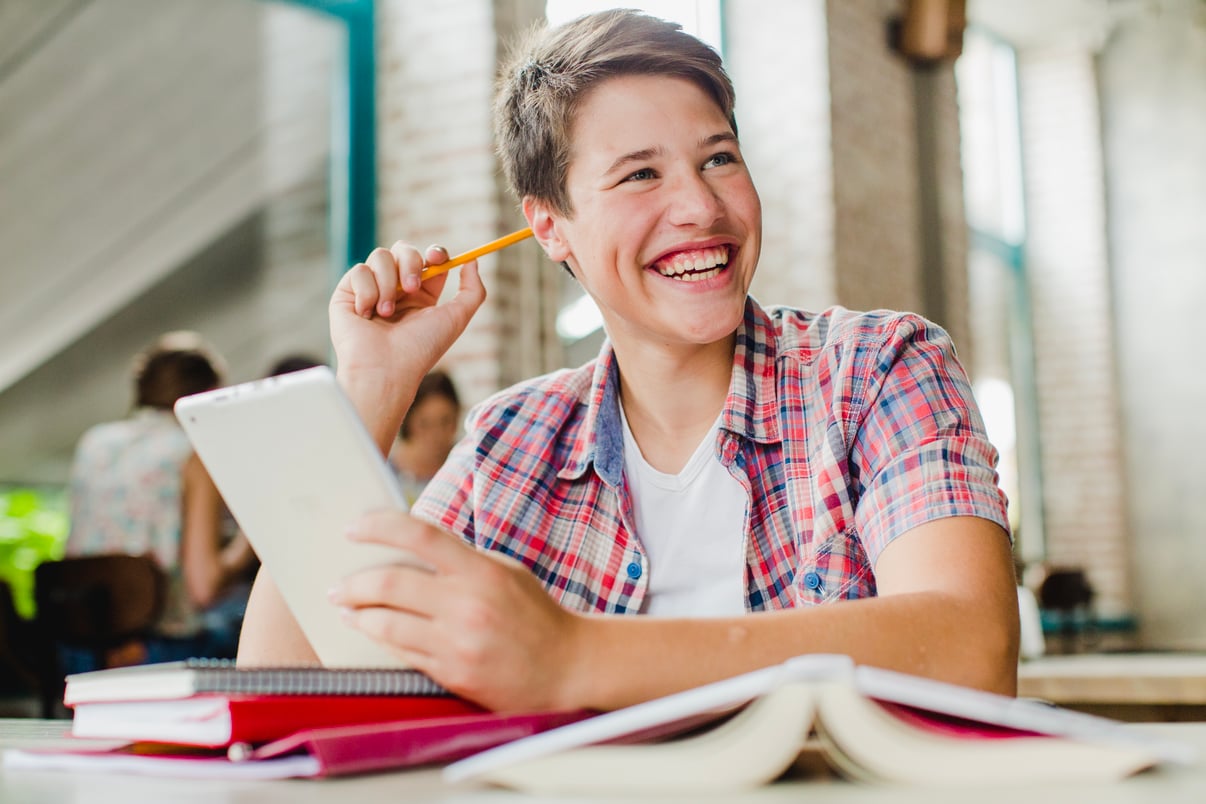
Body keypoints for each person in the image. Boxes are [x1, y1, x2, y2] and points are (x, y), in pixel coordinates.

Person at [240, 10, 1019, 712]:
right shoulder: (506, 445)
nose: (701, 208)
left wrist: (573, 657)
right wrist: (371, 391)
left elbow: (969, 650)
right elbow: (278, 696)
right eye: (641, 173)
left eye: (719, 159)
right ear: (550, 228)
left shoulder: (878, 367)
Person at [66, 332, 257, 668]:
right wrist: (253, 538)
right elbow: (204, 587)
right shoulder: (191, 454)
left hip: (79, 649)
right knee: (249, 618)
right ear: (208, 394)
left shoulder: (94, 442)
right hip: (157, 652)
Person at [387, 369, 462, 506]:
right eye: (425, 424)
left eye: (445, 421)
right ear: (408, 421)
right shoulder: (386, 473)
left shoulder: (465, 468)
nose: (436, 434)